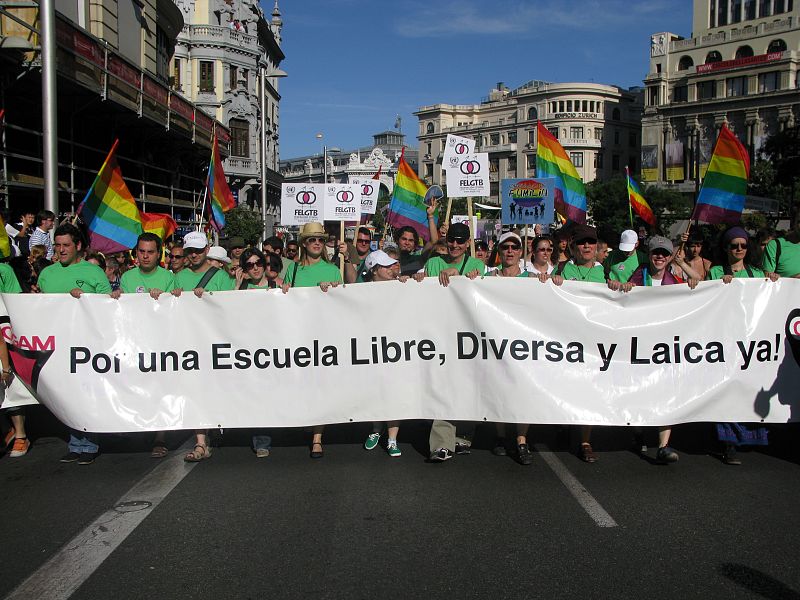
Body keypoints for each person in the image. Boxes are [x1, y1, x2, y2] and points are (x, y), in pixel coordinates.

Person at [612, 235, 700, 464]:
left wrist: (680, 264)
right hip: (640, 344)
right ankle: (638, 432)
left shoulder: (674, 280)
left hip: (665, 347)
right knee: (639, 391)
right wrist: (626, 287)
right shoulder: (639, 276)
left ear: (670, 257)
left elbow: (698, 279)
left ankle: (663, 445)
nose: (659, 257)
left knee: (666, 392)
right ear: (649, 255)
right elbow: (624, 296)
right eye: (656, 253)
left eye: (664, 254)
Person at [38, 223, 111, 465]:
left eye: (66, 245)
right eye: (57, 245)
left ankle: (89, 441)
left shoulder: (94, 273)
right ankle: (74, 441)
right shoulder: (47, 274)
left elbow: (107, 306)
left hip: (87, 344)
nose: (60, 250)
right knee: (66, 393)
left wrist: (86, 300)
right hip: (57, 343)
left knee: (87, 392)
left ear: (78, 246)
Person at [707, 226, 779, 465]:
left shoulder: (757, 274)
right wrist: (719, 283)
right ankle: (728, 442)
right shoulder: (716, 271)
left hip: (752, 342)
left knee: (748, 389)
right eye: (734, 245)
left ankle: (750, 435)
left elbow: (768, 300)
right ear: (726, 248)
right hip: (725, 340)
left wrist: (773, 282)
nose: (739, 249)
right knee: (727, 389)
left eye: (743, 245)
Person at [424, 222, 486, 461]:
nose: (455, 245)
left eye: (461, 241)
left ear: (468, 243)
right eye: (452, 240)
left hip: (469, 336)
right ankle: (441, 443)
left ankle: (462, 436)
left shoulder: (476, 265)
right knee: (444, 388)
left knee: (468, 386)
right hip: (441, 334)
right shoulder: (433, 263)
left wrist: (461, 276)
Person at [172, 231, 235, 462]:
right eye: (190, 251)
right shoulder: (178, 278)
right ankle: (201, 442)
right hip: (189, 342)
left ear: (207, 251)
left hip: (215, 341)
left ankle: (220, 424)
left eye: (198, 250)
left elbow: (230, 306)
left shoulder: (219, 276)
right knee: (195, 389)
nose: (194, 255)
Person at [112, 232, 176, 458]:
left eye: (150, 252)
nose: (146, 256)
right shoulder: (127, 277)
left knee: (159, 389)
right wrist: (117, 297)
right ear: (136, 253)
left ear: (159, 254)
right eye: (142, 251)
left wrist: (166, 297)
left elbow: (175, 307)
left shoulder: (168, 277)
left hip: (160, 343)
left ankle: (160, 437)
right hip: (134, 341)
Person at [283, 222, 343, 458]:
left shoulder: (331, 270)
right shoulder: (294, 270)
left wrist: (334, 289)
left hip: (323, 335)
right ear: (304, 244)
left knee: (320, 385)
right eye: (312, 240)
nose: (317, 243)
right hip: (299, 334)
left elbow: (341, 303)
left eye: (320, 239)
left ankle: (317, 437)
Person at [360, 250, 413, 458]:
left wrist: (411, 281)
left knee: (394, 392)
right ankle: (375, 428)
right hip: (371, 348)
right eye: (386, 266)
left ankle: (392, 439)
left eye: (392, 265)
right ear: (374, 270)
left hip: (395, 348)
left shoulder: (400, 286)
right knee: (376, 390)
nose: (392, 269)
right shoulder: (360, 291)